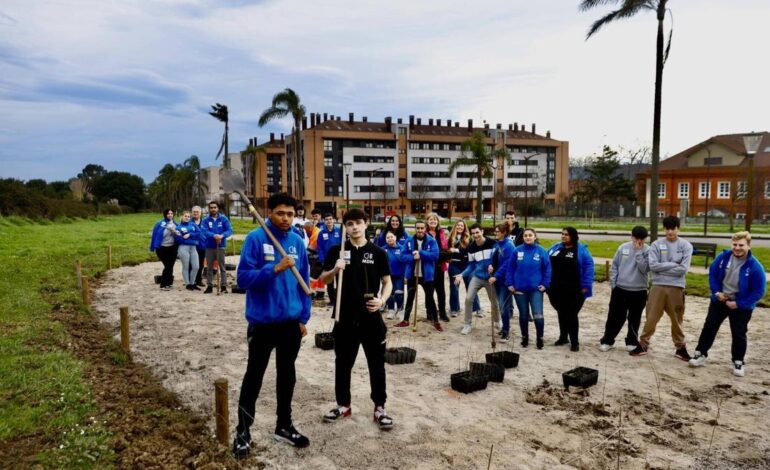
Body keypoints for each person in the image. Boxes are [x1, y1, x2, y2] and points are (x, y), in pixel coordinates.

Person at [232, 192, 311, 458]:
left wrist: (304, 317)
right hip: (262, 323)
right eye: (281, 213)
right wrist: (274, 269)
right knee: (254, 376)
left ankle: (284, 426)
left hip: (290, 324)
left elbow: (305, 284)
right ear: (270, 212)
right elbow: (242, 279)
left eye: (291, 214)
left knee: (287, 376)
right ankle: (243, 431)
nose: (286, 218)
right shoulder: (256, 239)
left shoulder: (298, 242)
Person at [320, 208, 394, 429]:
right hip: (344, 317)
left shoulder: (379, 252)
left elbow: (388, 282)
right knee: (343, 364)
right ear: (345, 227)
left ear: (366, 224)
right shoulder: (337, 250)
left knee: (376, 365)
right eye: (349, 223)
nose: (354, 227)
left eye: (358, 223)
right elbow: (323, 280)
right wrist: (335, 269)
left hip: (371, 318)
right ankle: (343, 405)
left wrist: (382, 300)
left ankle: (380, 407)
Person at [689, 232, 766, 377]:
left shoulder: (755, 266)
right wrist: (717, 293)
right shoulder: (723, 257)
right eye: (735, 245)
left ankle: (738, 361)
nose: (737, 248)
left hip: (740, 305)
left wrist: (739, 304)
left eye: (741, 245)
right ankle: (700, 353)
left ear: (748, 246)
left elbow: (759, 291)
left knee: (738, 333)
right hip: (720, 300)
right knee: (709, 327)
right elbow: (712, 274)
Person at [631, 216, 693, 360]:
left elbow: (683, 269)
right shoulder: (656, 245)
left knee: (677, 319)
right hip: (657, 286)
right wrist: (673, 264)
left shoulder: (686, 246)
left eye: (673, 228)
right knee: (651, 317)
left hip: (676, 287)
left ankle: (680, 347)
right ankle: (643, 343)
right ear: (663, 229)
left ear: (678, 228)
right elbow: (653, 266)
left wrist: (663, 267)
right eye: (667, 229)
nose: (670, 231)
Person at [599, 226, 650, 352]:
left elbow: (645, 269)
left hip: (639, 290)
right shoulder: (623, 247)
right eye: (636, 238)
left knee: (635, 317)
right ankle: (608, 340)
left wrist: (638, 252)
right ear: (631, 236)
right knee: (614, 316)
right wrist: (614, 284)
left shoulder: (648, 250)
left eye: (641, 239)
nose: (638, 241)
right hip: (620, 289)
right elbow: (615, 266)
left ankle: (632, 341)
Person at [547, 227, 594, 351]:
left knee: (572, 315)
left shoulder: (581, 250)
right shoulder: (556, 247)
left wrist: (586, 286)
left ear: (573, 236)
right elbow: (545, 261)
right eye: (562, 234)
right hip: (556, 288)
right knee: (561, 313)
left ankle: (575, 342)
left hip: (574, 289)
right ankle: (563, 337)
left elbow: (589, 268)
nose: (563, 236)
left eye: (566, 234)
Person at [506, 228, 551, 347]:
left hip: (536, 290)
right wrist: (509, 283)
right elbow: (510, 268)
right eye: (525, 235)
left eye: (530, 235)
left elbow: (547, 269)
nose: (528, 237)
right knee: (524, 315)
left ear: (535, 237)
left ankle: (540, 338)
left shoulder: (541, 251)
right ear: (523, 238)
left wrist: (545, 284)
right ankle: (525, 338)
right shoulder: (517, 251)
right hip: (519, 289)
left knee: (538, 315)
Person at [395, 220, 441, 331]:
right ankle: (405, 320)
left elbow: (435, 256)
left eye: (422, 228)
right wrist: (412, 257)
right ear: (415, 229)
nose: (420, 230)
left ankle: (436, 321)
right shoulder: (409, 241)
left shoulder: (431, 241)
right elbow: (402, 256)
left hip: (427, 276)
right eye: (418, 228)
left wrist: (421, 253)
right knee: (410, 298)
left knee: (430, 299)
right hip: (412, 275)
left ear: (425, 228)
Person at [456, 224, 500, 335]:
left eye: (477, 232)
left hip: (490, 278)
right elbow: (471, 265)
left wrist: (493, 266)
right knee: (468, 298)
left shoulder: (492, 243)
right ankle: (467, 324)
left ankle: (497, 321)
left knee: (494, 301)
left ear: (482, 231)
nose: (475, 235)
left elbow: (498, 258)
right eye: (473, 233)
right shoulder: (471, 247)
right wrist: (461, 274)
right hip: (478, 276)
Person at [489, 223, 516, 342]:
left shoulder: (509, 245)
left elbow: (508, 264)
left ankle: (506, 332)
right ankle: (505, 327)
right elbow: (492, 257)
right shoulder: (496, 244)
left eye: (497, 232)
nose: (495, 233)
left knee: (503, 305)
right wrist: (490, 265)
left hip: (505, 280)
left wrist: (496, 276)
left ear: (504, 232)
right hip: (497, 280)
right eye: (495, 231)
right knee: (502, 305)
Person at [447, 220, 480, 317]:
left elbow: (467, 252)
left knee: (470, 286)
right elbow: (448, 251)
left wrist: (456, 250)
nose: (460, 227)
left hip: (466, 265)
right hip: (454, 264)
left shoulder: (468, 238)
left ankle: (477, 308)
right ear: (455, 226)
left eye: (462, 226)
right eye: (458, 225)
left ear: (464, 227)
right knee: (454, 287)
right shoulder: (450, 238)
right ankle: (454, 309)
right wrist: (450, 254)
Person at [201, 201, 233, 294]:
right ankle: (209, 286)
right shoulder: (205, 220)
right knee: (209, 267)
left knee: (222, 267)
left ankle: (223, 286)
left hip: (221, 246)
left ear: (218, 208)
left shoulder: (223, 219)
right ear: (209, 209)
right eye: (211, 207)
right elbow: (204, 231)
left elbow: (229, 230)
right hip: (209, 247)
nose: (213, 209)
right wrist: (214, 236)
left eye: (215, 207)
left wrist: (222, 236)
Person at [426, 213, 450, 322]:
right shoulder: (425, 233)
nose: (433, 221)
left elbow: (445, 248)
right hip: (429, 266)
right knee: (429, 290)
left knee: (441, 291)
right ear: (427, 221)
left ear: (437, 221)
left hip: (440, 266)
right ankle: (430, 312)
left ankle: (442, 312)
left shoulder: (441, 233)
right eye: (430, 219)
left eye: (435, 219)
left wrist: (444, 254)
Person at [149, 208, 178, 291]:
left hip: (172, 247)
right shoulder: (159, 224)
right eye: (168, 214)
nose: (170, 215)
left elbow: (178, 235)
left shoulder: (175, 224)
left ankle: (169, 283)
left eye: (171, 213)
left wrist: (174, 231)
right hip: (162, 248)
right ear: (165, 214)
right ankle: (163, 284)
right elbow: (156, 235)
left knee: (171, 266)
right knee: (168, 266)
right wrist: (152, 247)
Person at [316, 213, 342, 306]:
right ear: (324, 221)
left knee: (340, 280)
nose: (329, 221)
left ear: (333, 220)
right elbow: (319, 247)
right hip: (327, 260)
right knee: (329, 281)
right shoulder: (321, 233)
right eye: (327, 219)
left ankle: (340, 300)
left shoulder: (339, 231)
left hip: (338, 259)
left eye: (330, 219)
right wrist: (322, 259)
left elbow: (343, 244)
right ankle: (333, 300)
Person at [175, 211, 202, 291]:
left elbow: (199, 233)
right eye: (185, 216)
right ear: (182, 217)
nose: (187, 217)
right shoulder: (178, 227)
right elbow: (179, 240)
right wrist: (182, 236)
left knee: (196, 266)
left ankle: (193, 282)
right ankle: (188, 284)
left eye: (188, 216)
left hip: (193, 247)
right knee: (186, 266)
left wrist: (190, 234)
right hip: (183, 248)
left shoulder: (193, 224)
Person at [383, 232, 407, 319]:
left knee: (399, 293)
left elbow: (406, 262)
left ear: (395, 237)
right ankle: (391, 310)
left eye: (391, 237)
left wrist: (406, 276)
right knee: (389, 293)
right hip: (388, 276)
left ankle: (400, 310)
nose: (389, 239)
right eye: (387, 237)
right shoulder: (383, 249)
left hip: (399, 275)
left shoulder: (402, 248)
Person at [191, 205, 207, 287]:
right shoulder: (189, 222)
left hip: (202, 246)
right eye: (194, 212)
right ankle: (191, 281)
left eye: (197, 212)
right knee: (192, 264)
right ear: (192, 213)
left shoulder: (204, 222)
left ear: (200, 213)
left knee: (201, 265)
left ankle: (198, 280)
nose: (195, 213)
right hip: (192, 247)